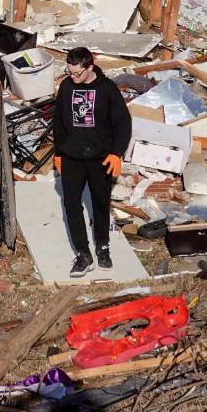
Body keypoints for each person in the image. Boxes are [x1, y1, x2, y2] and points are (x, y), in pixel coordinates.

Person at [52, 47, 131, 277]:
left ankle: (102, 246)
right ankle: (83, 254)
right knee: (72, 205)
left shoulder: (107, 89)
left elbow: (123, 123)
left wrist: (117, 153)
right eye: (70, 72)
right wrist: (58, 152)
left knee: (99, 204)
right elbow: (58, 121)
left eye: (77, 73)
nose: (73, 77)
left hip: (100, 159)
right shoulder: (67, 87)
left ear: (90, 67)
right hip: (72, 157)